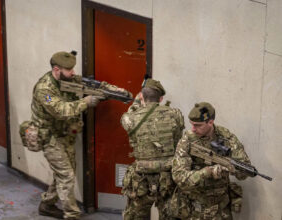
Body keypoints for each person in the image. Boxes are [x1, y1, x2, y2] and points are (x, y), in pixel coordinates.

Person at [31, 51, 131, 219]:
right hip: (49, 136)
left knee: (65, 173)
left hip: (65, 134)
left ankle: (47, 204)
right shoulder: (44, 89)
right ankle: (72, 215)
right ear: (56, 69)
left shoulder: (68, 79)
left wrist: (119, 93)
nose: (74, 73)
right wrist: (86, 102)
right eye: (69, 70)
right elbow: (60, 110)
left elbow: (96, 86)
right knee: (67, 176)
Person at [172, 102, 251, 219]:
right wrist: (208, 172)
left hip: (221, 208)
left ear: (210, 122)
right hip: (194, 209)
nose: (193, 129)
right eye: (192, 124)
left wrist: (233, 168)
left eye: (198, 125)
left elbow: (244, 173)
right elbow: (179, 176)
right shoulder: (187, 140)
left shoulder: (227, 137)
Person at [120, 79, 185, 220]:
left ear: (142, 96)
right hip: (167, 176)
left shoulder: (130, 118)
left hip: (141, 177)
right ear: (161, 99)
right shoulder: (175, 114)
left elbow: (128, 117)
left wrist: (136, 102)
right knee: (169, 215)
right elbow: (178, 139)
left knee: (135, 216)